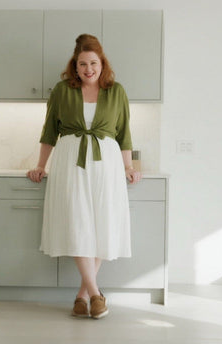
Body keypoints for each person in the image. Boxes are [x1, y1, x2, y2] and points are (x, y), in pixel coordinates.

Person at [27, 33, 142, 320]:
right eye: (82, 64)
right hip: (70, 161)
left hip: (107, 165)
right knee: (77, 222)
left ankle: (81, 296)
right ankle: (95, 294)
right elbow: (49, 132)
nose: (88, 69)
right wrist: (41, 165)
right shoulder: (61, 90)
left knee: (101, 223)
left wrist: (129, 167)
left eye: (93, 63)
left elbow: (124, 134)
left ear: (102, 63)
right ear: (74, 66)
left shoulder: (117, 91)